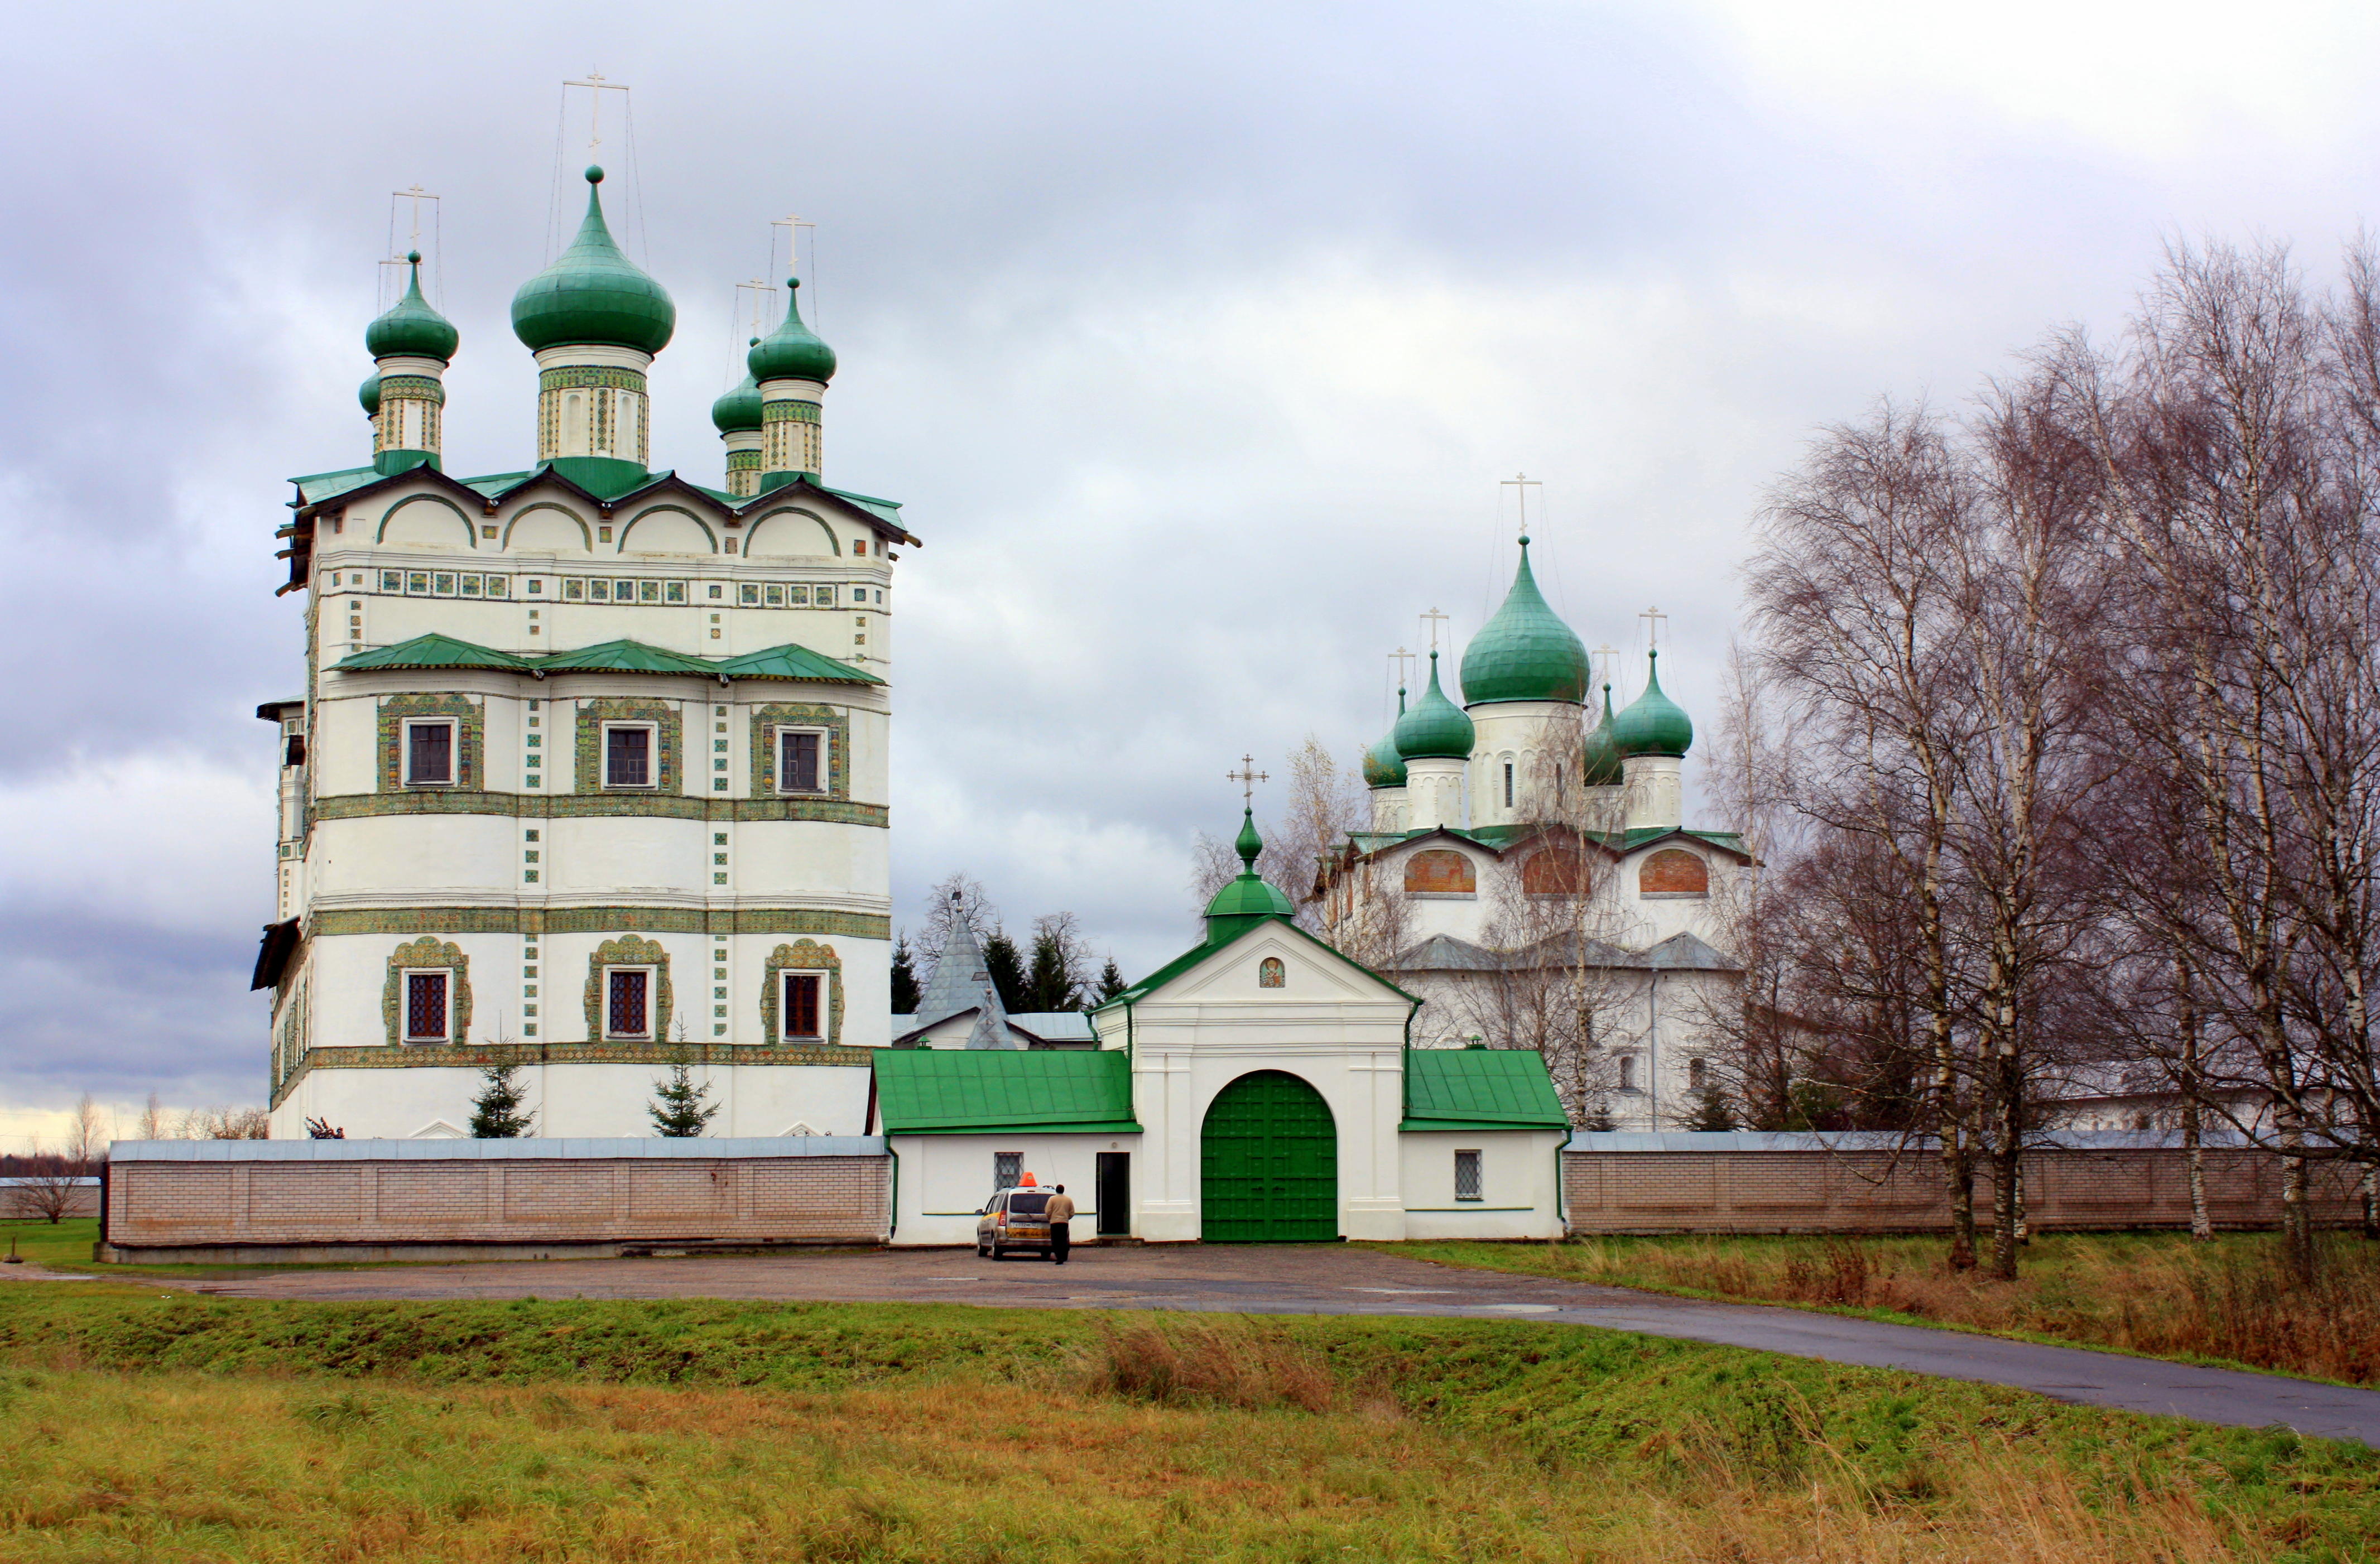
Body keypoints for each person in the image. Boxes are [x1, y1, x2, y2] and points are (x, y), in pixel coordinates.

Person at [1044, 1183, 1075, 1264]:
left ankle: (1058, 1257)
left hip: (1054, 1222)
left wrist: (1050, 1218)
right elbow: (1072, 1212)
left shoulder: (1052, 1199)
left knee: (1056, 1240)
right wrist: (1067, 1218)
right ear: (1063, 1190)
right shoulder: (1068, 1200)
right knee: (1063, 1240)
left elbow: (1048, 1211)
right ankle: (1063, 1256)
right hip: (1064, 1223)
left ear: (1056, 1190)